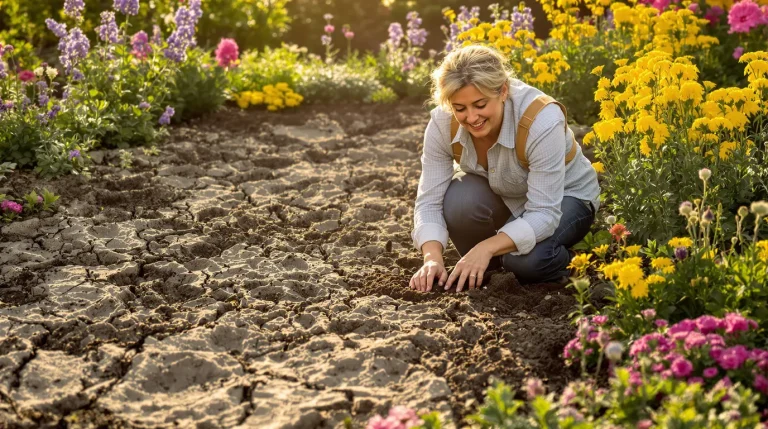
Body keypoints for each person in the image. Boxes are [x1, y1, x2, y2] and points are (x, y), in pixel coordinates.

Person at [409, 44, 600, 293]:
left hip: (564, 197)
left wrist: (485, 247)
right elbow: (429, 200)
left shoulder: (541, 121)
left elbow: (544, 213)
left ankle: (574, 263)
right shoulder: (442, 122)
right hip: (505, 194)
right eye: (460, 108)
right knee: (459, 199)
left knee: (526, 262)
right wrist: (432, 258)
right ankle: (488, 268)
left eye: (480, 104)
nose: (471, 118)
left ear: (503, 91)